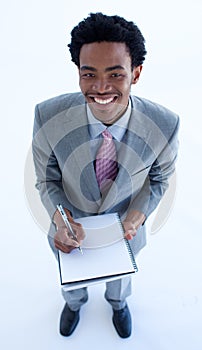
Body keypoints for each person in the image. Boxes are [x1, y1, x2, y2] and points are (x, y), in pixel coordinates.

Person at [32, 12, 179, 339]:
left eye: (115, 74)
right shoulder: (47, 115)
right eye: (89, 74)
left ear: (136, 73)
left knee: (121, 280)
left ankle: (117, 303)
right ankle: (74, 302)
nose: (101, 88)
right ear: (78, 74)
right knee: (71, 279)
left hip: (126, 227)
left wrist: (136, 217)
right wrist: (62, 219)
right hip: (69, 228)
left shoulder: (165, 125)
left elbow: (159, 178)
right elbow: (46, 179)